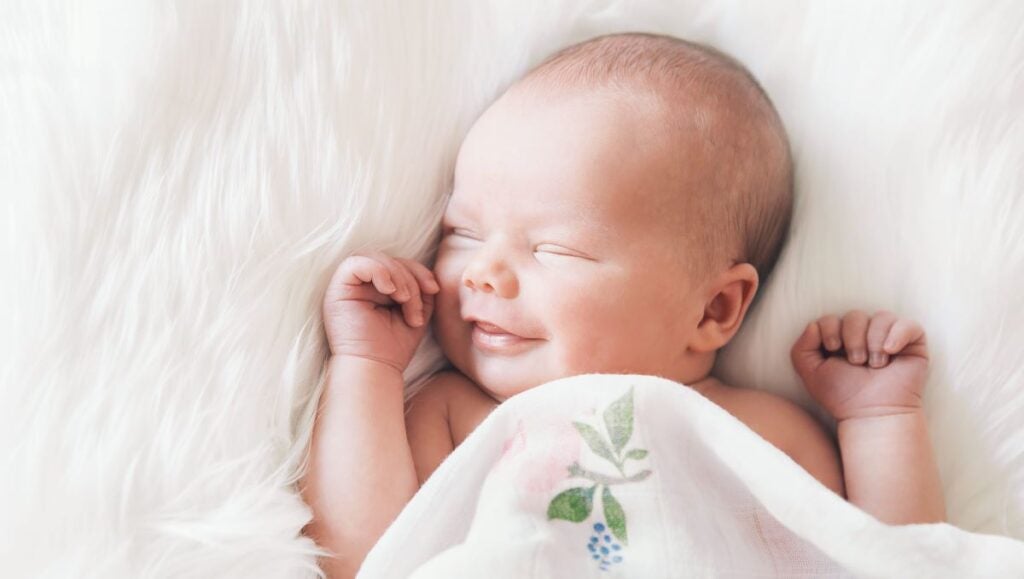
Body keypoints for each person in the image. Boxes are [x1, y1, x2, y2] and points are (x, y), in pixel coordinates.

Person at [300, 32, 946, 578]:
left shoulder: (759, 430)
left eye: (556, 249)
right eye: (462, 234)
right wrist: (365, 366)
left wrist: (880, 419)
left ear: (714, 309)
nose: (484, 273)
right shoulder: (459, 416)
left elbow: (896, 558)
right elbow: (362, 552)